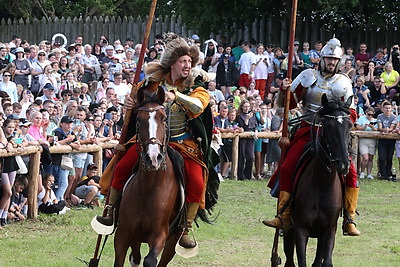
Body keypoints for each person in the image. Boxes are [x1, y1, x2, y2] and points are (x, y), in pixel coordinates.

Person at [94, 34, 214, 249]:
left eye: (189, 62)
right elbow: (138, 107)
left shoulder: (196, 87)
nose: (187, 65)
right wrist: (130, 104)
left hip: (182, 143)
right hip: (150, 140)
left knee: (196, 180)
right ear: (172, 64)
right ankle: (111, 210)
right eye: (183, 61)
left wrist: (175, 96)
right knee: (121, 167)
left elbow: (198, 106)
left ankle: (186, 227)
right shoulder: (151, 83)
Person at [262, 38, 361, 236]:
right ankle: (285, 214)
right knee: (288, 165)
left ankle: (349, 218)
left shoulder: (344, 82)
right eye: (328, 58)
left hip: (332, 133)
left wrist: (337, 118)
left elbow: (351, 113)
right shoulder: (307, 76)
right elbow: (286, 104)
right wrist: (284, 90)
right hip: (308, 129)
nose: (331, 62)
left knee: (350, 171)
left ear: (339, 62)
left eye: (334, 59)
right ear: (321, 59)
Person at [377, 101, 397, 181]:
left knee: (389, 157)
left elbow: (392, 127)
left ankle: (388, 173)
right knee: (381, 157)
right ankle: (382, 174)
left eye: (389, 108)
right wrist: (384, 129)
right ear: (383, 109)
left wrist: (389, 130)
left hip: (391, 140)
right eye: (386, 108)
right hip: (382, 139)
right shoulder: (380, 116)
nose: (388, 110)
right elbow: (379, 127)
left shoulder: (394, 117)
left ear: (391, 108)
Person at [356, 107, 377, 179]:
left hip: (372, 141)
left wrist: (373, 127)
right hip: (363, 140)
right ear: (366, 113)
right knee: (365, 158)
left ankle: (369, 173)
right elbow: (357, 127)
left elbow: (377, 130)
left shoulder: (375, 120)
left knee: (370, 158)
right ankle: (362, 172)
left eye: (372, 115)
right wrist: (364, 127)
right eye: (369, 114)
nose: (370, 116)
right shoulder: (361, 118)